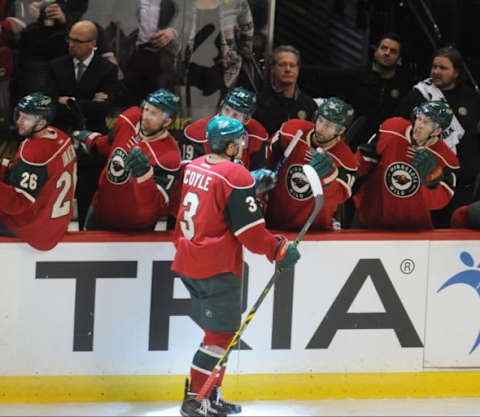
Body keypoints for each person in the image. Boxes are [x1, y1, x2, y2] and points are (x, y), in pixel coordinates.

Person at [171, 116, 301, 417]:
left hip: (189, 259)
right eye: (239, 141)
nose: (242, 145)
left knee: (222, 333)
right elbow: (251, 235)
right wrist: (279, 248)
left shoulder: (196, 166)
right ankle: (195, 399)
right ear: (229, 146)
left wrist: (250, 188)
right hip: (215, 266)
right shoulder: (236, 175)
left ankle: (211, 395)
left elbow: (215, 202)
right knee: (219, 336)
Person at [46, 19, 120, 229]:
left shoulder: (107, 69)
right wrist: (88, 102)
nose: (71, 44)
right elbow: (50, 101)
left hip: (92, 140)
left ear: (92, 43)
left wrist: (69, 101)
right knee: (54, 188)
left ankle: (86, 231)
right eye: (70, 39)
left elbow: (104, 108)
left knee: (88, 190)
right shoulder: (56, 65)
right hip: (60, 136)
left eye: (77, 41)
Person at [394, 46, 480, 227]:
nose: (436, 72)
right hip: (429, 184)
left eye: (443, 68)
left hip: (464, 187)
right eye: (434, 67)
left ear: (456, 72)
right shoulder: (418, 95)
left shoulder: (472, 98)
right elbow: (400, 131)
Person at [73, 89, 181, 231]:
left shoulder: (169, 156)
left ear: (167, 122)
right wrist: (92, 141)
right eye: (146, 109)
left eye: (154, 114)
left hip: (135, 226)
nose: (146, 116)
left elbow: (156, 207)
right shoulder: (129, 117)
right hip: (101, 211)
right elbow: (111, 143)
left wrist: (144, 177)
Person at [354, 101, 459, 229]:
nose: (419, 125)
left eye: (426, 122)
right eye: (419, 118)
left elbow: (438, 202)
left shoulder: (446, 159)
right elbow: (361, 164)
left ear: (437, 130)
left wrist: (432, 177)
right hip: (371, 218)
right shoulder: (392, 130)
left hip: (412, 228)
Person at [263, 97, 357, 230]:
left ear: (340, 131)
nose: (320, 128)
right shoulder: (291, 131)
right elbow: (266, 159)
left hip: (314, 230)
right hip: (274, 222)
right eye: (320, 120)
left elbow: (339, 197)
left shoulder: (346, 160)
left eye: (328, 125)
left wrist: (329, 178)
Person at [0, 92, 77, 250]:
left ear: (42, 122)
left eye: (26, 118)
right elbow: (35, 174)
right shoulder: (61, 136)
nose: (20, 122)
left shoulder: (33, 151)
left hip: (36, 229)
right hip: (56, 221)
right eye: (19, 115)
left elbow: (19, 203)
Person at [180, 87, 268, 170]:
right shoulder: (196, 133)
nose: (228, 118)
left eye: (235, 115)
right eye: (226, 110)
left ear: (246, 120)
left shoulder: (257, 134)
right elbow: (188, 173)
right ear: (221, 107)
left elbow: (255, 172)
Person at [253, 45, 317, 136]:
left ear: (298, 69)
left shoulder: (309, 105)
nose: (288, 69)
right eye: (282, 65)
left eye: (292, 65)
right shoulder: (259, 103)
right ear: (273, 69)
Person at [123, 0, 178, 105]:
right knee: (131, 101)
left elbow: (186, 19)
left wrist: (173, 32)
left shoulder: (173, 3)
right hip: (133, 56)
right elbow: (112, 15)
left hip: (163, 58)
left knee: (161, 104)